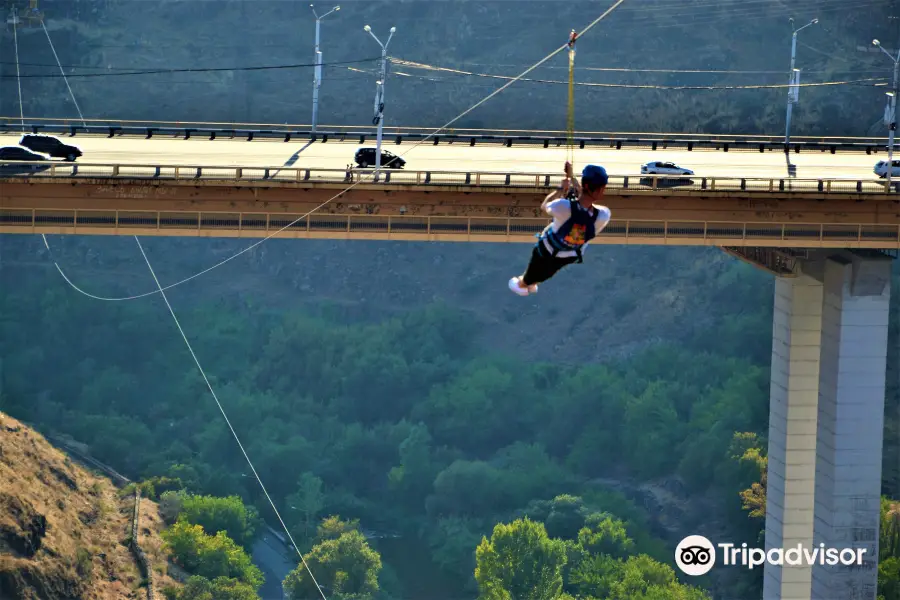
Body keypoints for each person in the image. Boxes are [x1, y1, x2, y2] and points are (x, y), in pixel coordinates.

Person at [508, 162, 612, 296]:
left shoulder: (562, 206)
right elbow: (584, 203)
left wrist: (560, 189)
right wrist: (573, 178)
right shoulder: (603, 215)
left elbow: (545, 206)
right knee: (547, 272)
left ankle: (524, 285)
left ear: (585, 184)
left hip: (546, 249)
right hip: (570, 255)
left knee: (528, 279)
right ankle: (533, 283)